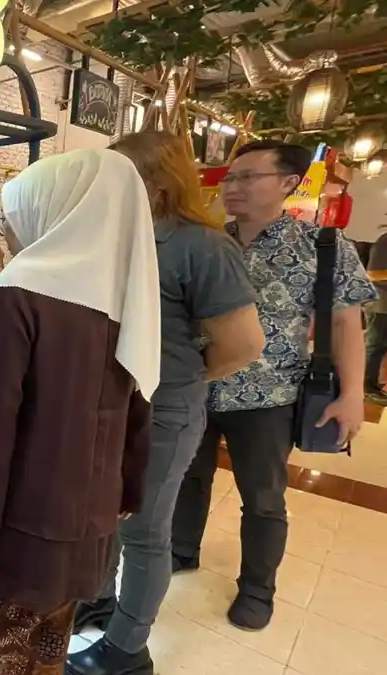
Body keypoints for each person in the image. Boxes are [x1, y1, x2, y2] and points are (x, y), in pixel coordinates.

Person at [0, 148, 160, 675]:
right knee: (40, 645)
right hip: (88, 514)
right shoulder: (128, 291)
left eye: (9, 218)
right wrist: (126, 492)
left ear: (55, 211)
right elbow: (139, 401)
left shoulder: (23, 288)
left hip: (14, 515)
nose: (7, 233)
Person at [67, 132, 263, 675]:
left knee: (145, 530)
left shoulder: (202, 246)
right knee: (104, 516)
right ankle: (102, 598)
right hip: (110, 407)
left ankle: (126, 650)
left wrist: (180, 380)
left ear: (153, 185)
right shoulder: (117, 239)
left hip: (163, 411)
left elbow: (245, 344)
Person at [171, 140, 376, 631]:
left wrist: (352, 397)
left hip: (269, 396)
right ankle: (181, 550)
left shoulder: (322, 247)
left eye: (248, 177)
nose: (232, 186)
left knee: (263, 498)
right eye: (230, 177)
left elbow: (349, 325)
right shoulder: (208, 241)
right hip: (198, 389)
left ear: (288, 183)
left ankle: (258, 589)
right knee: (185, 479)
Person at [364, 227, 387, 400]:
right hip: (380, 303)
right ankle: (366, 388)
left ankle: (372, 384)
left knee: (379, 347)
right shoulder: (384, 242)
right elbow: (372, 274)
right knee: (374, 346)